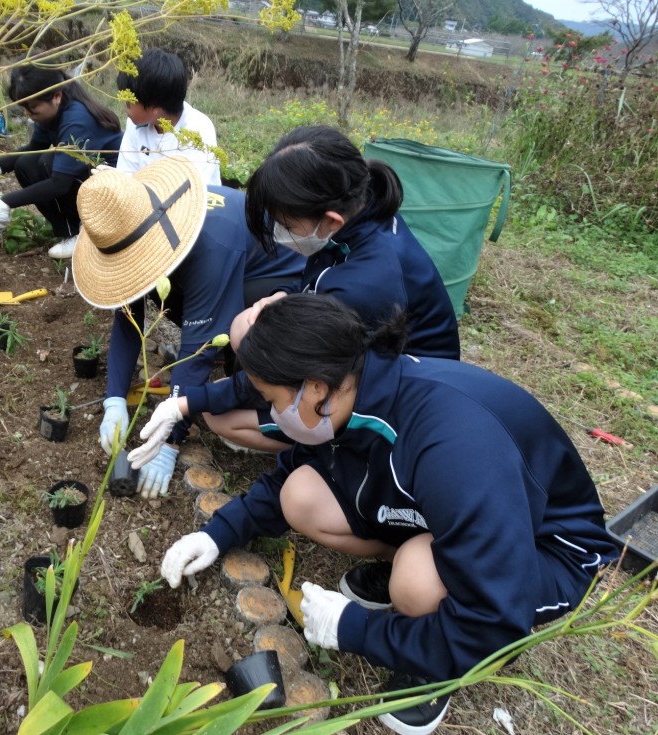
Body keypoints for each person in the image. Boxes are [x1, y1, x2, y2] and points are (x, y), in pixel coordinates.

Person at [160, 293, 617, 735]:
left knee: (417, 582)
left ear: (315, 388)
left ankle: (436, 661)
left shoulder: (452, 447)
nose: (272, 413)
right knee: (300, 495)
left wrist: (353, 629)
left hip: (547, 551)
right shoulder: (352, 388)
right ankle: (415, 574)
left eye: (271, 398)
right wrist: (218, 535)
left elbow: (493, 619)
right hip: (464, 518)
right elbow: (290, 472)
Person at [127, 125, 459, 462]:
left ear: (329, 220)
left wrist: (187, 403)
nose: (278, 231)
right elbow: (315, 283)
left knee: (221, 417)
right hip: (367, 354)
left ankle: (333, 454)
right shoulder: (357, 212)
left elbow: (291, 363)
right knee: (247, 325)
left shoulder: (365, 284)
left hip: (403, 401)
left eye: (285, 222)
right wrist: (284, 294)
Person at [71, 158, 304, 499]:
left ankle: (269, 407)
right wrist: (114, 399)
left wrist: (169, 441)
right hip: (226, 269)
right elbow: (129, 316)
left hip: (282, 286)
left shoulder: (210, 247)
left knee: (243, 337)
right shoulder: (140, 221)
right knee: (177, 299)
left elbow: (199, 350)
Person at [0, 67, 123, 260]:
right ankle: (70, 232)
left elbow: (60, 183)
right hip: (86, 180)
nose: (28, 114)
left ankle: (85, 233)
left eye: (32, 108)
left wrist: (7, 202)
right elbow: (35, 147)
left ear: (56, 96)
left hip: (112, 194)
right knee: (25, 165)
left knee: (48, 162)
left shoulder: (77, 120)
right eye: (24, 108)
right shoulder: (52, 112)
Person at [115, 48, 221, 186]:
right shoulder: (135, 126)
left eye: (129, 102)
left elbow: (192, 192)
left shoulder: (199, 131)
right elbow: (125, 179)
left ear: (155, 109)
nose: (125, 106)